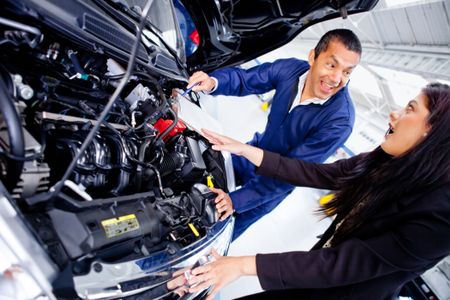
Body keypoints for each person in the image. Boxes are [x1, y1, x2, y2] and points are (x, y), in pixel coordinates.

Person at [184, 82, 450, 300]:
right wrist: (246, 150)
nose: (395, 114)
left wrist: (241, 265)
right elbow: (317, 173)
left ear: (432, 132)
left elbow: (343, 263)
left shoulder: (441, 214)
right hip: (311, 282)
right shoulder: (385, 162)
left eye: (410, 109)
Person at [187, 29, 362, 239]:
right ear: (312, 56)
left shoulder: (340, 121)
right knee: (196, 179)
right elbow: (246, 79)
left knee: (214, 234)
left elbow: (294, 172)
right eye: (332, 65)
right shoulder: (291, 70)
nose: (336, 78)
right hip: (250, 154)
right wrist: (213, 82)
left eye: (347, 72)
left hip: (272, 187)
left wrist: (237, 201)